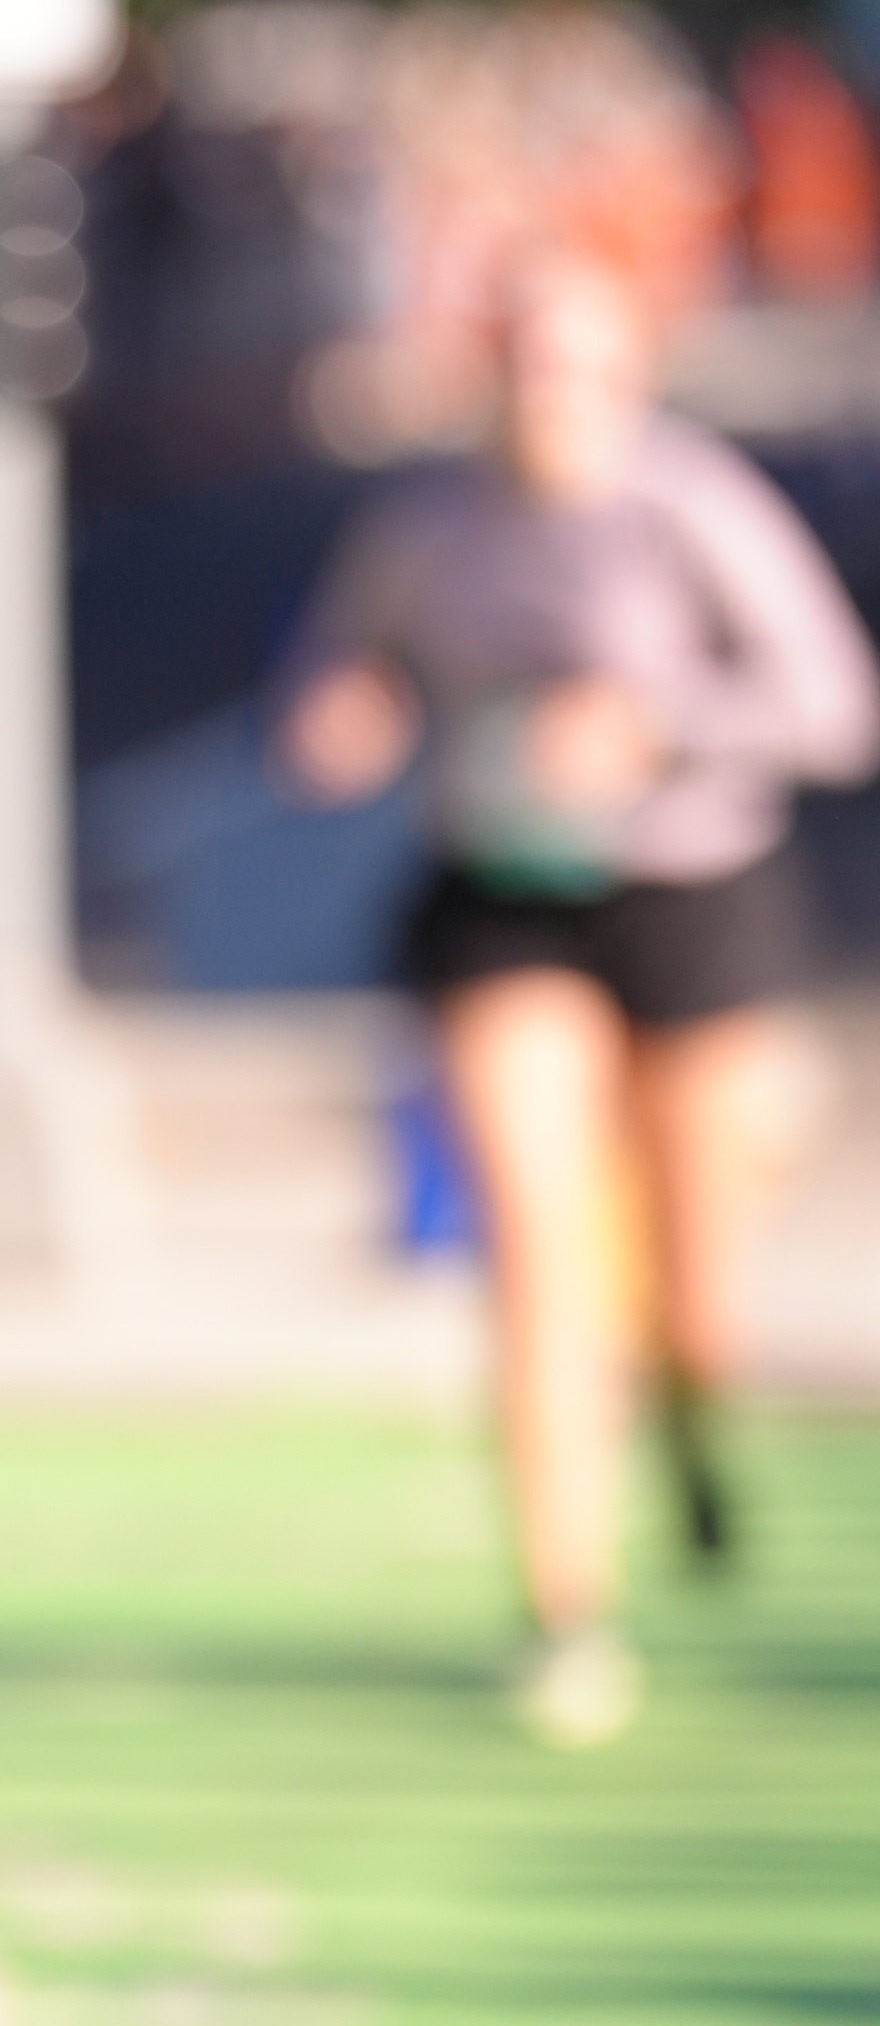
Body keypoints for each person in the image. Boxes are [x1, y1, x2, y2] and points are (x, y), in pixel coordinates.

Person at [279, 240, 879, 1741]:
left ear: (631, 376)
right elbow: (339, 671)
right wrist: (351, 712)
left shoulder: (691, 506)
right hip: (502, 900)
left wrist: (651, 725)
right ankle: (565, 1607)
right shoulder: (425, 524)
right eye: (528, 365)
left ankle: (694, 1407)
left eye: (583, 368)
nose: (553, 396)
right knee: (542, 1248)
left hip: (691, 894)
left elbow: (835, 707)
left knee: (695, 1290)